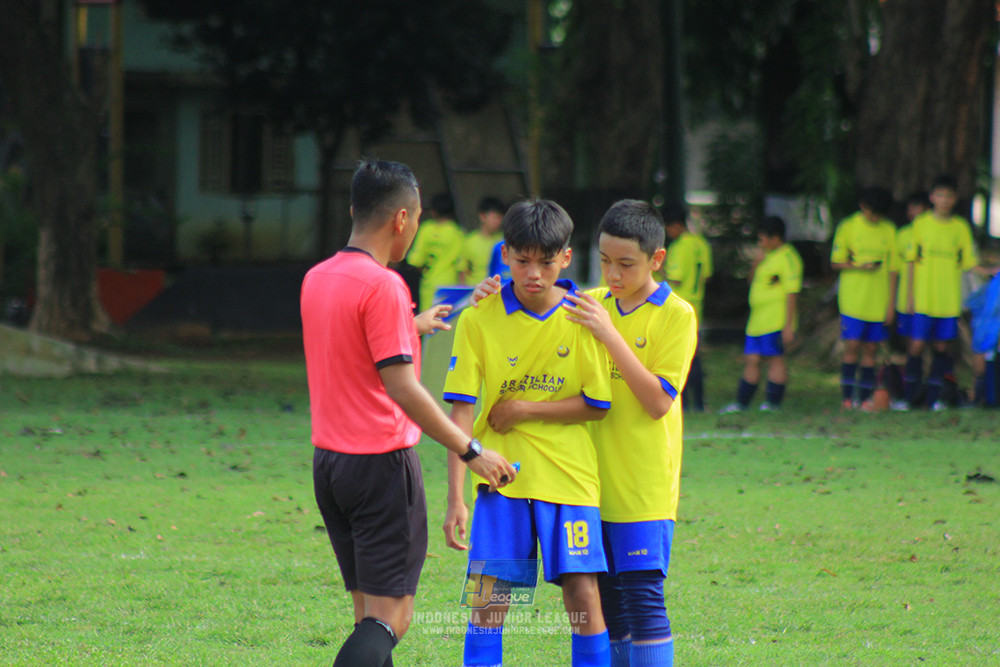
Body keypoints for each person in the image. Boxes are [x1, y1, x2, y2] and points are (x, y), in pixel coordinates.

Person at [301, 160, 516, 667]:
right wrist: (472, 450)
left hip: (330, 465)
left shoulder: (318, 277)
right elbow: (401, 386)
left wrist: (408, 326)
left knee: (367, 616)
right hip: (380, 466)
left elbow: (347, 347)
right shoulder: (384, 286)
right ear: (401, 219)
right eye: (416, 219)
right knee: (390, 619)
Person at [468, 199, 699, 666]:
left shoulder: (676, 315)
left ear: (656, 260)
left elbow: (658, 402)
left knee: (643, 601)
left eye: (626, 264)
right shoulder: (587, 304)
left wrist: (610, 334)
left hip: (642, 486)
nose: (613, 275)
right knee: (607, 605)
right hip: (586, 484)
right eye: (607, 261)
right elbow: (534, 294)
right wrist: (487, 292)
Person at [442, 199, 614, 667]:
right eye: (522, 260)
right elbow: (460, 410)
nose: (534, 272)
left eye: (545, 260)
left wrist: (523, 409)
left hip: (569, 476)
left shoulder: (585, 315)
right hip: (500, 478)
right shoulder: (478, 317)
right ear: (505, 254)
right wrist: (456, 497)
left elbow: (597, 404)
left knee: (582, 596)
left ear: (565, 256)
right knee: (489, 600)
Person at [901, 174, 996, 410]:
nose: (944, 200)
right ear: (933, 197)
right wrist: (910, 297)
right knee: (917, 345)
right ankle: (909, 396)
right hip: (924, 298)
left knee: (942, 347)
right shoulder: (921, 224)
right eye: (940, 195)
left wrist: (990, 270)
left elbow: (968, 263)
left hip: (948, 300)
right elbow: (912, 262)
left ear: (955, 199)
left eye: (949, 196)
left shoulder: (960, 227)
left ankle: (935, 398)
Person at [720, 216, 803, 413]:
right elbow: (752, 282)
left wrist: (788, 326)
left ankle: (773, 403)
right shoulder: (764, 256)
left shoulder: (789, 258)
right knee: (752, 359)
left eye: (762, 239)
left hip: (776, 320)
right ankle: (742, 403)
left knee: (775, 358)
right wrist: (756, 264)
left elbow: (792, 293)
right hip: (757, 320)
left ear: (775, 238)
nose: (760, 243)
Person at [829, 186, 897, 410]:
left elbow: (894, 270)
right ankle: (847, 397)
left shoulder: (889, 230)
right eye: (872, 212)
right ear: (863, 206)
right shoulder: (848, 226)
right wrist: (858, 266)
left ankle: (866, 398)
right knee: (852, 346)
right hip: (853, 301)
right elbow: (836, 262)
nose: (875, 217)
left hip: (878, 302)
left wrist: (891, 305)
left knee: (871, 350)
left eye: (880, 213)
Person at [663, 202, 713, 412]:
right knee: (694, 355)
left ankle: (682, 402)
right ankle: (699, 402)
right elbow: (707, 275)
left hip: (678, 307)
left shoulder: (678, 247)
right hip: (697, 305)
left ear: (674, 225)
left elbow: (674, 279)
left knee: (677, 356)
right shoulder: (701, 243)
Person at [407, 192, 466, 311]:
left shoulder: (426, 229)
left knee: (428, 323)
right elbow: (461, 266)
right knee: (446, 323)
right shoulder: (457, 233)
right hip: (449, 286)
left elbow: (416, 261)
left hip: (429, 285)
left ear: (434, 211)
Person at [458, 197, 506, 284]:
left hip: (499, 292)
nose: (498, 221)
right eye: (495, 217)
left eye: (500, 218)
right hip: (476, 292)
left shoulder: (504, 241)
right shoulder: (469, 242)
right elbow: (462, 272)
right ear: (482, 216)